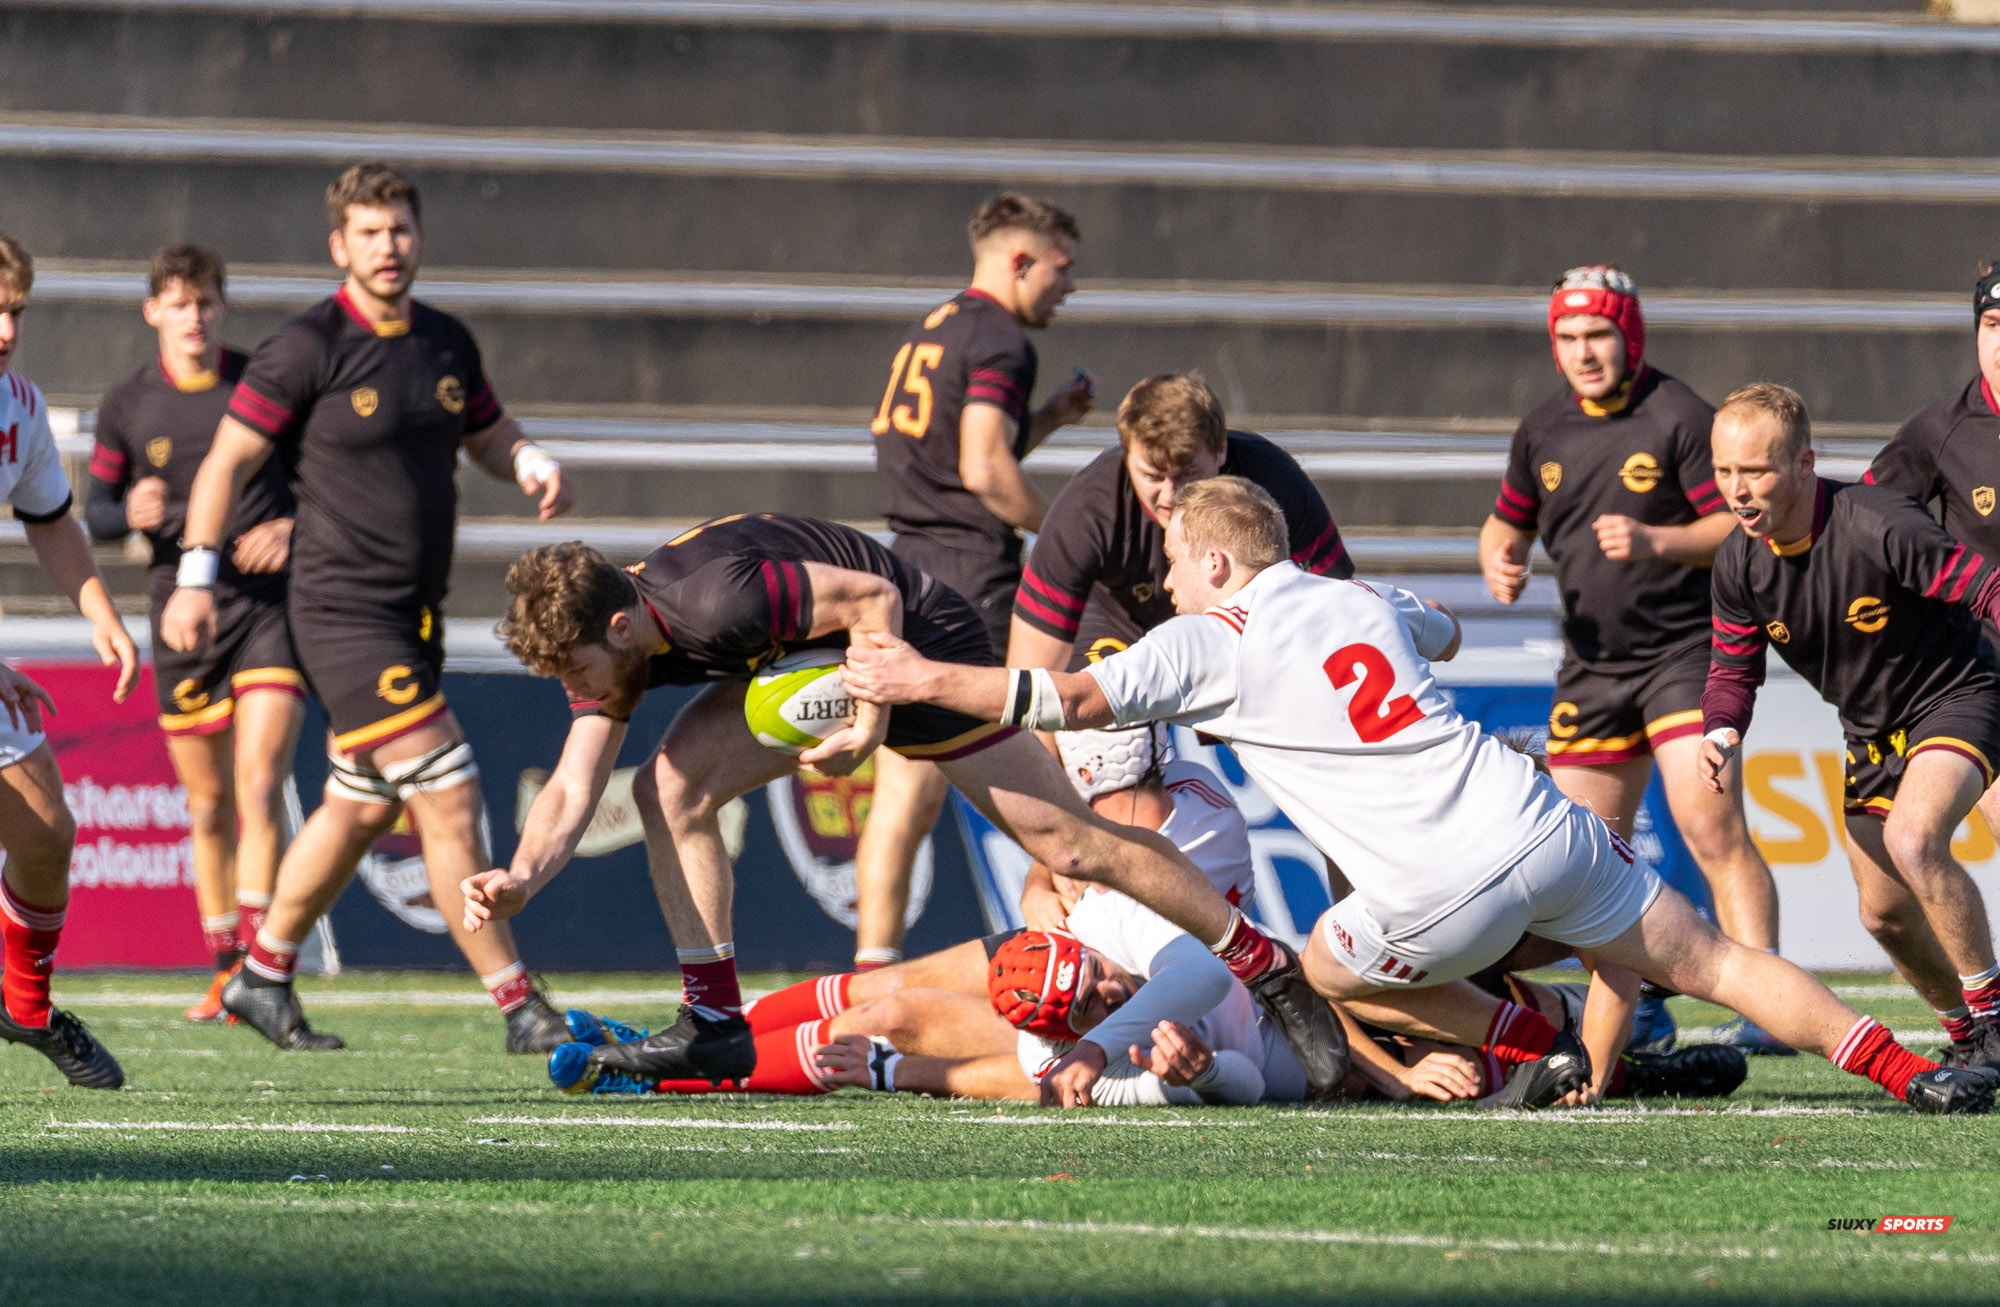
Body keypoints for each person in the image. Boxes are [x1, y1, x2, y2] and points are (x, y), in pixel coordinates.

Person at [844, 474, 1998, 1113]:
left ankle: (1521, 1046)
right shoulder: (1357, 596)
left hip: (1429, 888)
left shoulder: (1211, 633)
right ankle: (1911, 1074)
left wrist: (917, 677)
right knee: (1710, 962)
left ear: (1209, 562)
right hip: (1536, 818)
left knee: (1311, 971)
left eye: (1173, 566)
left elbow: (1072, 703)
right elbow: (1439, 627)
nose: (1167, 584)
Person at [465, 513, 1345, 1097]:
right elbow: (576, 783)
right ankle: (715, 1023)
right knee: (667, 790)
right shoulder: (617, 641)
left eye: (575, 668)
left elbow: (873, 597)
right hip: (834, 668)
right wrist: (521, 878)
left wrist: (870, 719)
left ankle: (1263, 963)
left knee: (1075, 846)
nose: (575, 689)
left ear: (619, 628)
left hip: (916, 641)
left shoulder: (713, 599)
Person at [158, 164, 572, 1054]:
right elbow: (226, 463)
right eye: (371, 232)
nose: (390, 247)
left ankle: (262, 974)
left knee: (361, 802)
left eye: (401, 230)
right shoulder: (307, 345)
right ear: (340, 245)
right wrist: (194, 577)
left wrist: (528, 457)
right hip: (341, 611)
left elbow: (486, 431)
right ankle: (521, 1004)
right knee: (451, 796)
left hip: (416, 613)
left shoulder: (446, 342)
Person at [1480, 265, 1783, 1056]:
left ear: (1630, 334)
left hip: (1683, 657)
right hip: (1591, 667)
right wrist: (1500, 559)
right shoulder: (1542, 428)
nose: (1585, 351)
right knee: (1576, 863)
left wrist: (1656, 540)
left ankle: (1765, 1004)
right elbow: (1503, 523)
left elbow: (1736, 523)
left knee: (1712, 827)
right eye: (1569, 338)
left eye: (1600, 334)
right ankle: (1639, 1002)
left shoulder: (1679, 414)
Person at [1702, 383, 2000, 1072]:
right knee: (1884, 915)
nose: (1738, 490)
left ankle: (1994, 1018)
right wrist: (1721, 729)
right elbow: (1730, 670)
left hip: (1957, 696)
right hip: (1871, 734)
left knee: (1914, 837)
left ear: (1804, 464)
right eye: (1725, 472)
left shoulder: (1877, 521)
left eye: (1757, 471)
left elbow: (1982, 585)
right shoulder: (1737, 564)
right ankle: (1967, 1037)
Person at [859, 193, 1095, 971]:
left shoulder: (937, 326)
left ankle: (874, 970)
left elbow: (953, 446)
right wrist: (1072, 535)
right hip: (973, 580)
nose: (1069, 287)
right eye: (1061, 269)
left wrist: (1051, 416)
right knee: (1055, 758)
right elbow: (983, 469)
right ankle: (1087, 945)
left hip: (904, 568)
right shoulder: (999, 337)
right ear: (1019, 260)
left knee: (904, 791)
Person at [85, 245, 304, 1021]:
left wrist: (291, 527)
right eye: (179, 302)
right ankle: (224, 968)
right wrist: (126, 515)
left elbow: (325, 484)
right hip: (180, 608)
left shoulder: (261, 386)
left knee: (258, 780)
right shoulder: (127, 403)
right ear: (153, 312)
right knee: (207, 803)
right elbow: (95, 511)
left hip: (267, 607)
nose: (194, 316)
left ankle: (262, 964)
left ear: (224, 307)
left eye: (206, 300)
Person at [0, 233, 136, 1087]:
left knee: (47, 833)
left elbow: (49, 518)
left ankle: (22, 1003)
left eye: (14, 309)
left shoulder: (18, 406)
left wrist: (102, 614)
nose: (6, 327)